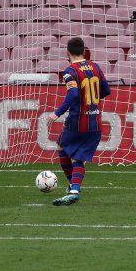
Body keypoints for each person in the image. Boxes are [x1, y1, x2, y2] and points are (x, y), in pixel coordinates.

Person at [47, 37, 111, 206]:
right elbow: (106, 90)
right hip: (95, 121)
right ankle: (73, 188)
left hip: (77, 120)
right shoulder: (95, 67)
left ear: (67, 52)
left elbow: (74, 94)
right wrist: (91, 101)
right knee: (77, 157)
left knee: (62, 146)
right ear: (84, 51)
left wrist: (57, 113)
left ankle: (73, 187)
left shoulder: (70, 72)